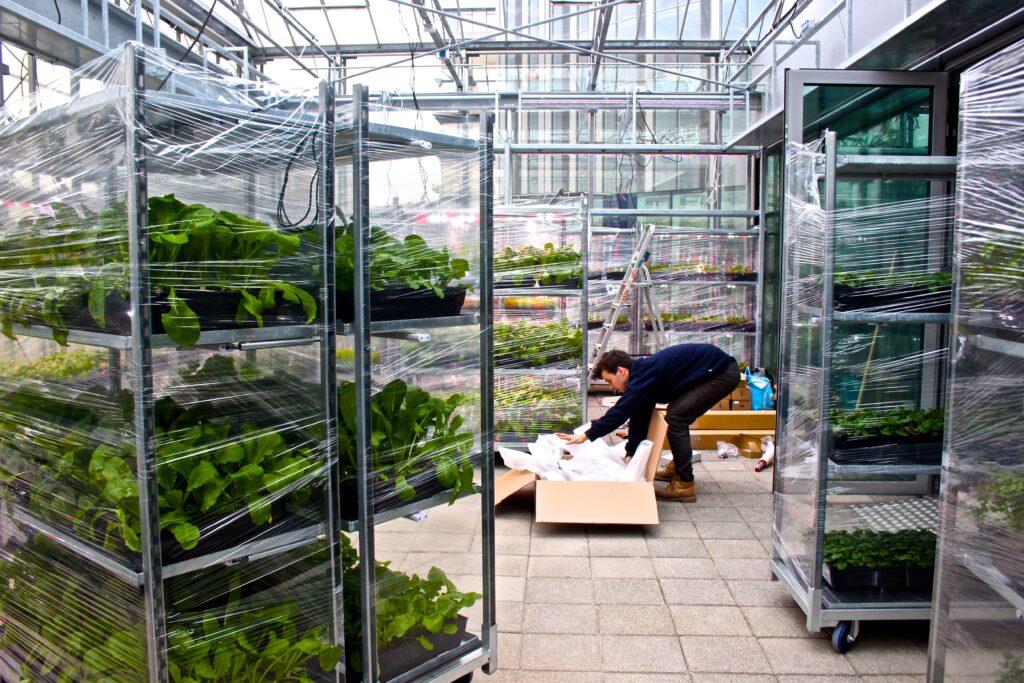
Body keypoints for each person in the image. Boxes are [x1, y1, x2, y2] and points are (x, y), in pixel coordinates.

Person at [558, 344, 740, 502]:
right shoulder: (642, 377)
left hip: (721, 373)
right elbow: (639, 415)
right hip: (710, 370)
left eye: (609, 380)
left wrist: (587, 435)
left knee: (676, 418)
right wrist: (631, 453)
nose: (611, 387)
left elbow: (621, 411)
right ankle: (678, 466)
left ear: (621, 371)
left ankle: (685, 483)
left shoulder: (644, 375)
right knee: (675, 414)